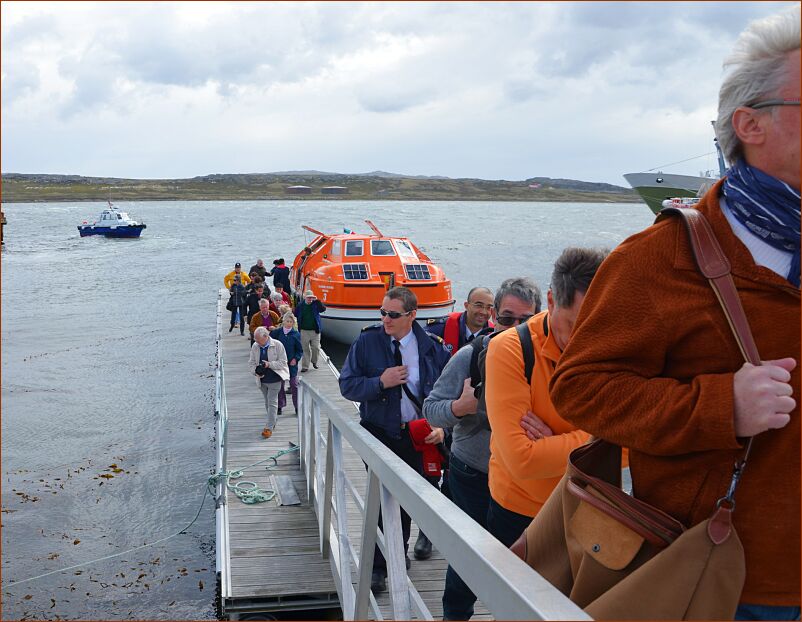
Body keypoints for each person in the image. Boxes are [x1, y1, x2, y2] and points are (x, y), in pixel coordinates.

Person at [550, 9, 799, 620]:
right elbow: (580, 389)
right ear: (751, 125)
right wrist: (721, 408)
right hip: (729, 580)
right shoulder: (660, 259)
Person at [423, 277, 542, 621]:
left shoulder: (546, 366)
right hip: (472, 475)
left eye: (525, 321)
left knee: (523, 562)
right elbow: (431, 408)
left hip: (523, 481)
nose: (515, 329)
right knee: (467, 558)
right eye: (507, 319)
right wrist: (460, 408)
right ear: (493, 318)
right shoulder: (471, 355)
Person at [485, 248, 608, 550]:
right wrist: (602, 437)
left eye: (596, 326)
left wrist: (555, 443)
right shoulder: (508, 349)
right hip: (519, 511)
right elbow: (522, 461)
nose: (586, 342)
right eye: (575, 326)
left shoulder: (611, 343)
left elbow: (637, 440)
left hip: (587, 505)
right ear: (551, 301)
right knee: (508, 596)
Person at [339, 286, 450, 593]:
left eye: (393, 314)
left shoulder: (433, 347)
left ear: (412, 315)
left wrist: (443, 428)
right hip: (379, 433)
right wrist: (380, 382)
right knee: (385, 499)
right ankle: (380, 567)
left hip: (418, 435)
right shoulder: (367, 341)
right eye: (382, 312)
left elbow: (447, 395)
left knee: (417, 497)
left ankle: (399, 551)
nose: (385, 319)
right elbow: (347, 386)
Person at [248, 326, 289, 439]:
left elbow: (283, 363)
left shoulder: (278, 345)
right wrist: (255, 372)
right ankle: (273, 420)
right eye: (255, 340)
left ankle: (269, 427)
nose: (256, 342)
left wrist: (269, 364)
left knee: (272, 402)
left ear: (266, 337)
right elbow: (251, 363)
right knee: (267, 402)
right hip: (261, 380)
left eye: (258, 340)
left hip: (275, 379)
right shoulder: (255, 346)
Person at [426, 287, 494, 356]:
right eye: (479, 305)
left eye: (488, 307)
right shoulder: (441, 328)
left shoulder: (494, 336)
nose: (483, 312)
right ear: (466, 305)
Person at [270, 313, 303, 416]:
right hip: (280, 363)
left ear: (293, 323)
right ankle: (280, 406)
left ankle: (297, 407)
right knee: (280, 385)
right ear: (283, 321)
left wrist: (296, 359)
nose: (289, 324)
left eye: (291, 322)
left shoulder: (296, 334)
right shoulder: (277, 333)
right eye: (287, 321)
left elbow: (300, 350)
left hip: (291, 363)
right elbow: (269, 342)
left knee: (294, 385)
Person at [294, 290, 327, 372]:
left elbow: (323, 309)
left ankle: (314, 362)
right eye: (308, 297)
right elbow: (295, 313)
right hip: (304, 330)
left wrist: (317, 301)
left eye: (311, 298)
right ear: (305, 297)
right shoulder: (300, 305)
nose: (310, 299)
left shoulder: (316, 304)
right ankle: (305, 366)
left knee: (316, 347)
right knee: (305, 349)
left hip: (315, 331)